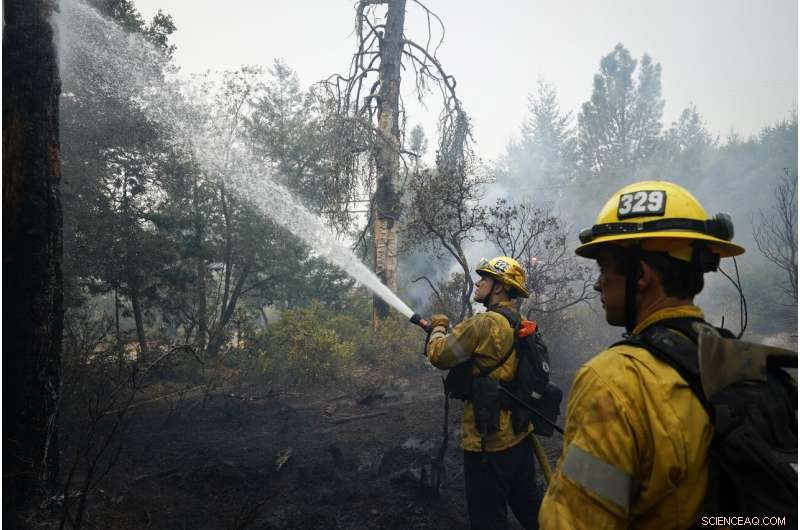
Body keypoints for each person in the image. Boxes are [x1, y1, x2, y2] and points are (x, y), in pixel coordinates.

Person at [538, 181, 746, 529]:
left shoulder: (615, 383)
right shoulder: (742, 364)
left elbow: (573, 522)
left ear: (640, 275)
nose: (597, 283)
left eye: (604, 267)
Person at [426, 256, 542, 530]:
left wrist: (439, 328)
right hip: (519, 434)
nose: (478, 283)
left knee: (487, 520)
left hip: (487, 444)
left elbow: (440, 355)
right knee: (532, 511)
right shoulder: (520, 321)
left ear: (499, 287)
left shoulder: (484, 324)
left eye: (485, 279)